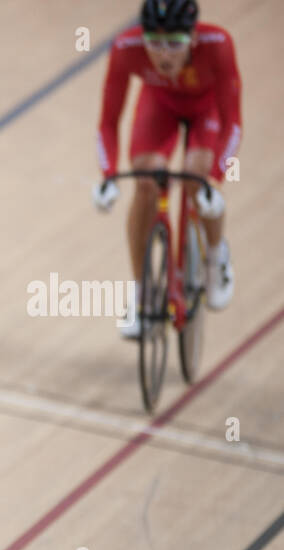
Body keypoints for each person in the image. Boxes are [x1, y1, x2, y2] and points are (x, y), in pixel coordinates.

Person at [92, 0, 241, 338]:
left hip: (207, 112)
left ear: (192, 37)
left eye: (174, 43)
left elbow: (233, 123)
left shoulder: (217, 45)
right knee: (145, 179)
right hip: (160, 105)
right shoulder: (126, 48)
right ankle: (141, 291)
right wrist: (108, 176)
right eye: (154, 43)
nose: (163, 55)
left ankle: (216, 255)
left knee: (195, 174)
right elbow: (107, 122)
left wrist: (215, 178)